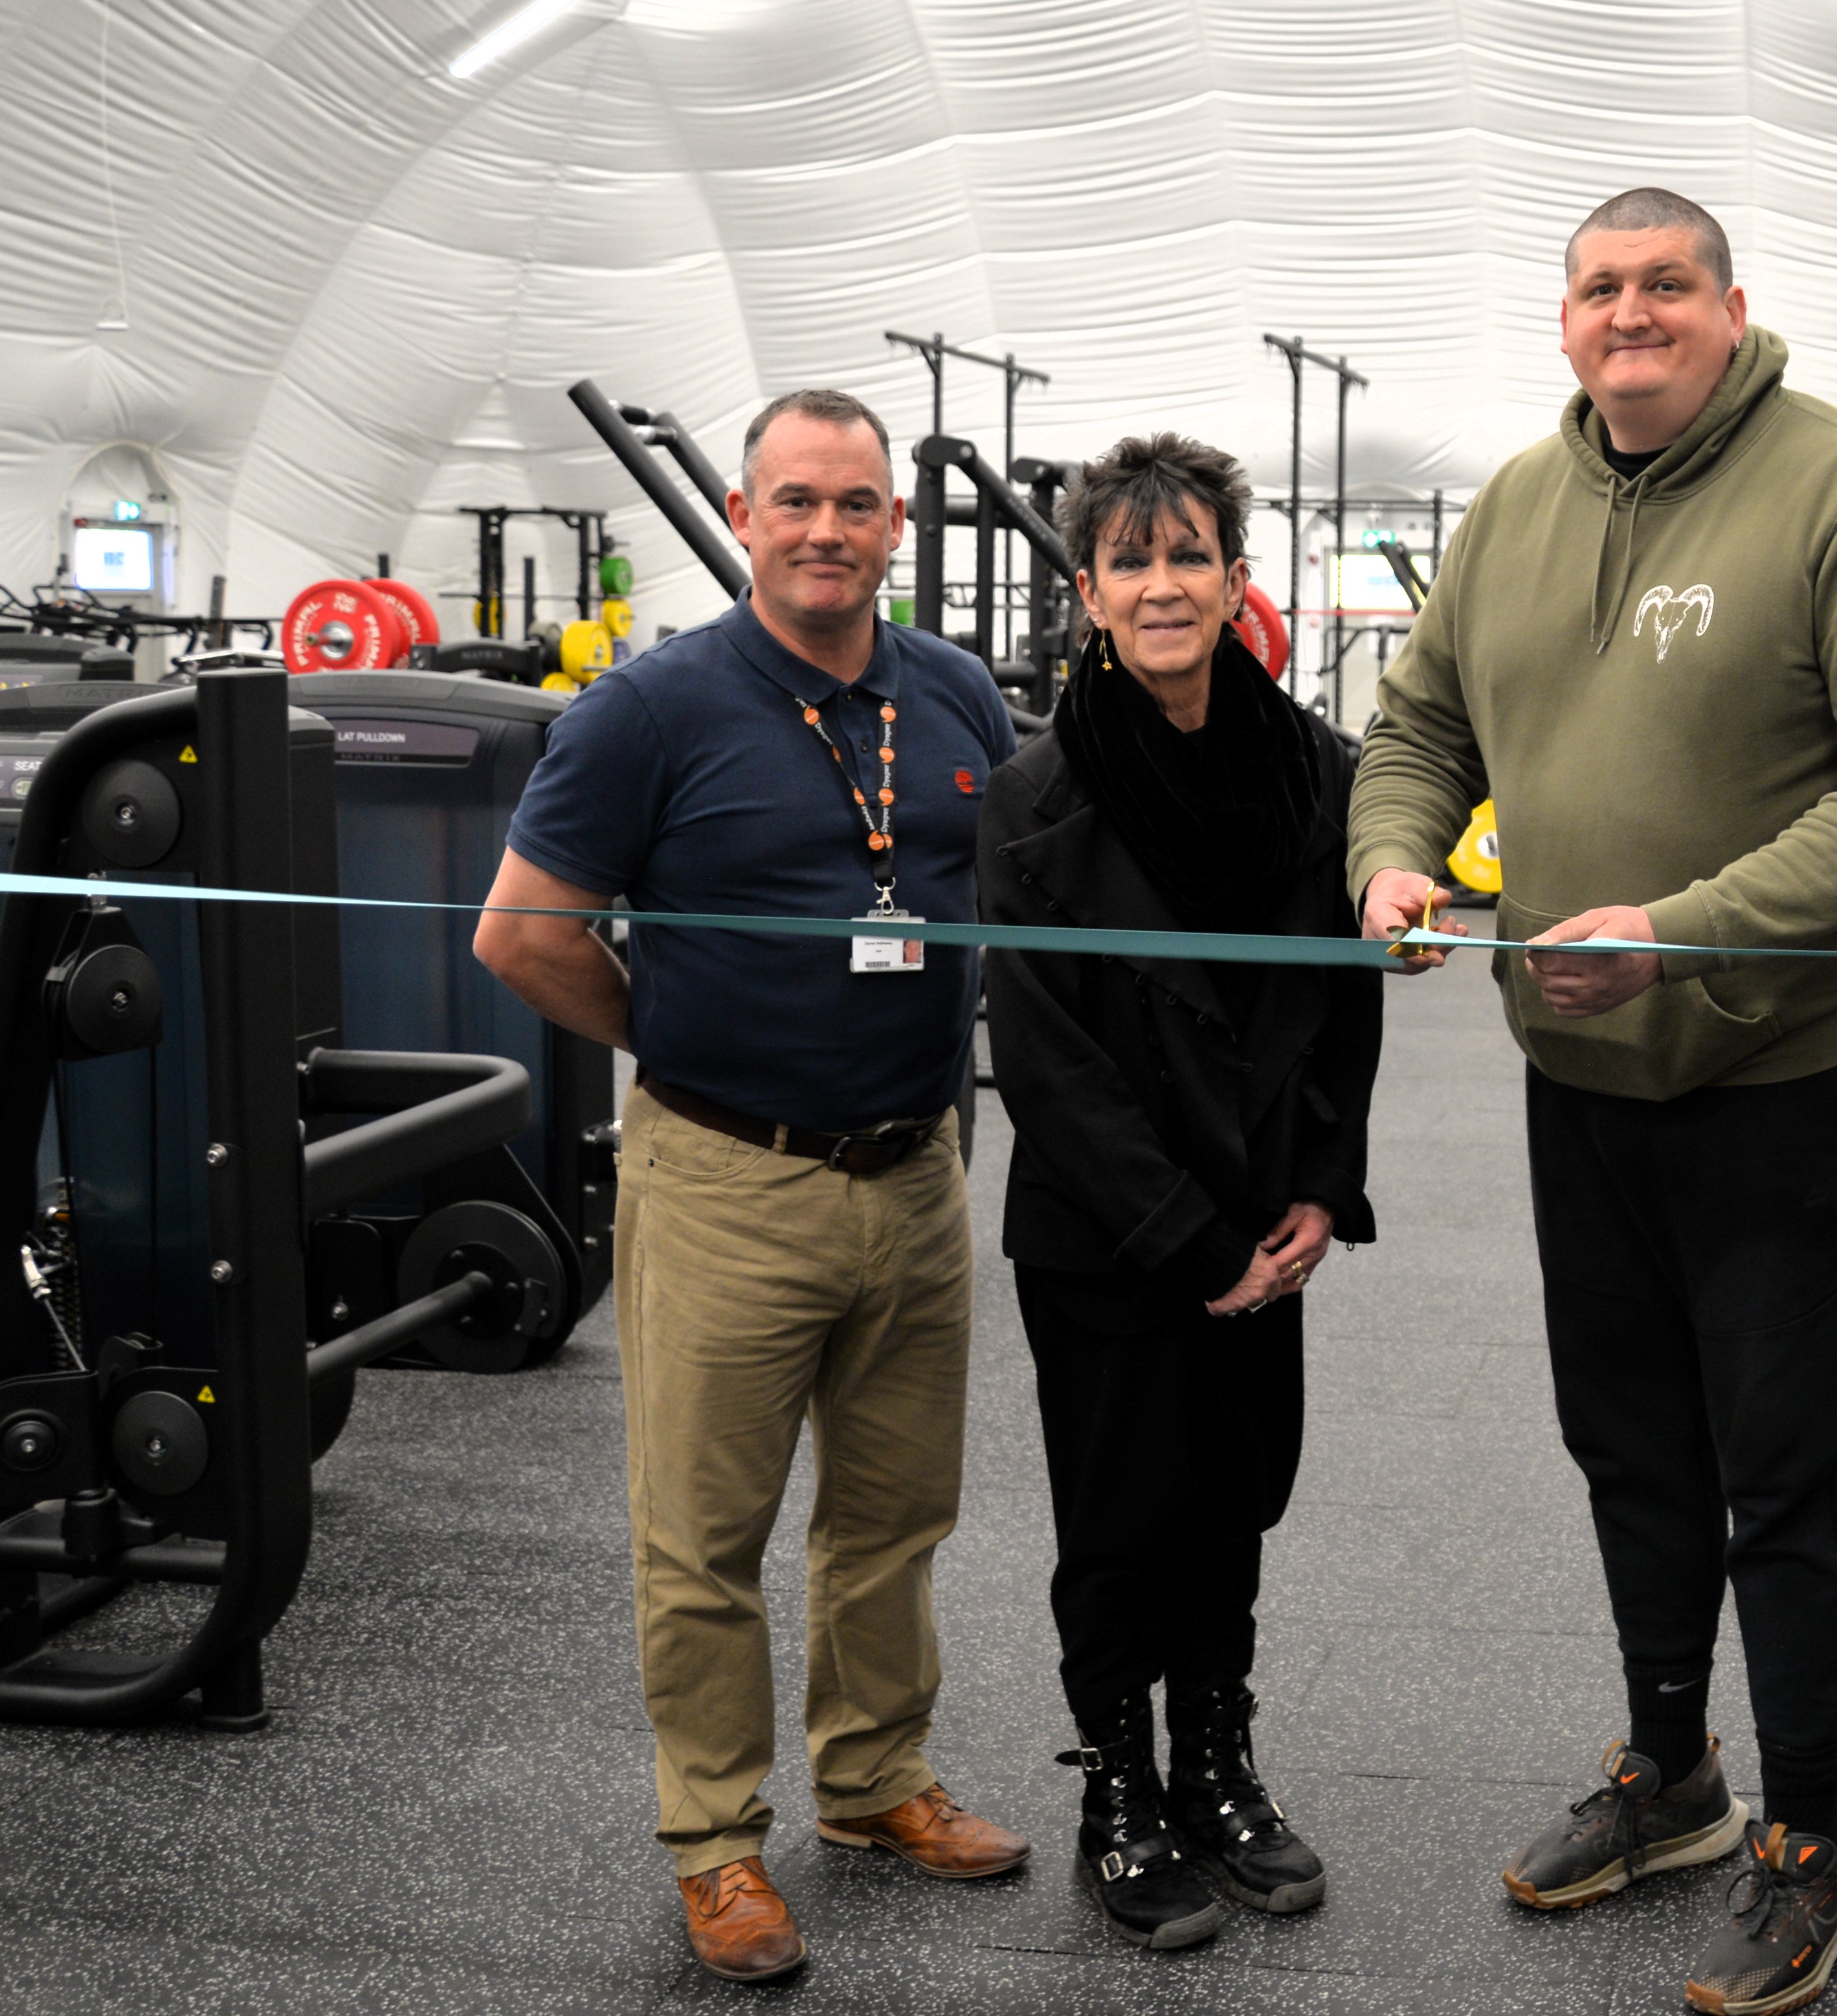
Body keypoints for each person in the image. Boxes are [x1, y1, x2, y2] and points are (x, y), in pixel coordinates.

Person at [1345, 186, 1837, 2016]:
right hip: (1581, 1071)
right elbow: (1418, 728)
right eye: (1600, 289)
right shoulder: (1519, 506)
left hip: (1791, 1074)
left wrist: (1683, 928)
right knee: (1629, 1441)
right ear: (1566, 323)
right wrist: (1392, 860)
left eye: (1665, 287)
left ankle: (1811, 1835)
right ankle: (1670, 1769)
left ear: (1732, 308)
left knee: (1784, 1467)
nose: (1632, 314)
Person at [475, 388, 1024, 1985]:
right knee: (702, 1534)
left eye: (856, 505)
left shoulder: (959, 693)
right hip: (726, 1175)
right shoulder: (645, 712)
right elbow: (519, 934)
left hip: (915, 1166)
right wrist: (676, 1037)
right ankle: (717, 1844)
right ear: (741, 511)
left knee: (894, 1512)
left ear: (895, 529)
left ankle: (870, 1781)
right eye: (796, 502)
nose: (826, 532)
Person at [979, 433, 1381, 1953]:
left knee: (1231, 1503)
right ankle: (1121, 1794)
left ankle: (1217, 1767)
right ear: (1089, 590)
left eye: (1188, 555)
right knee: (1119, 1516)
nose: (1163, 584)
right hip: (1110, 1236)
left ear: (1234, 579)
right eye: (1132, 560)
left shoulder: (1315, 772)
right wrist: (1188, 1238)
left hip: (1264, 1230)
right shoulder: (1035, 797)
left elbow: (1347, 1010)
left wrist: (1320, 1197)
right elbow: (1043, 1053)